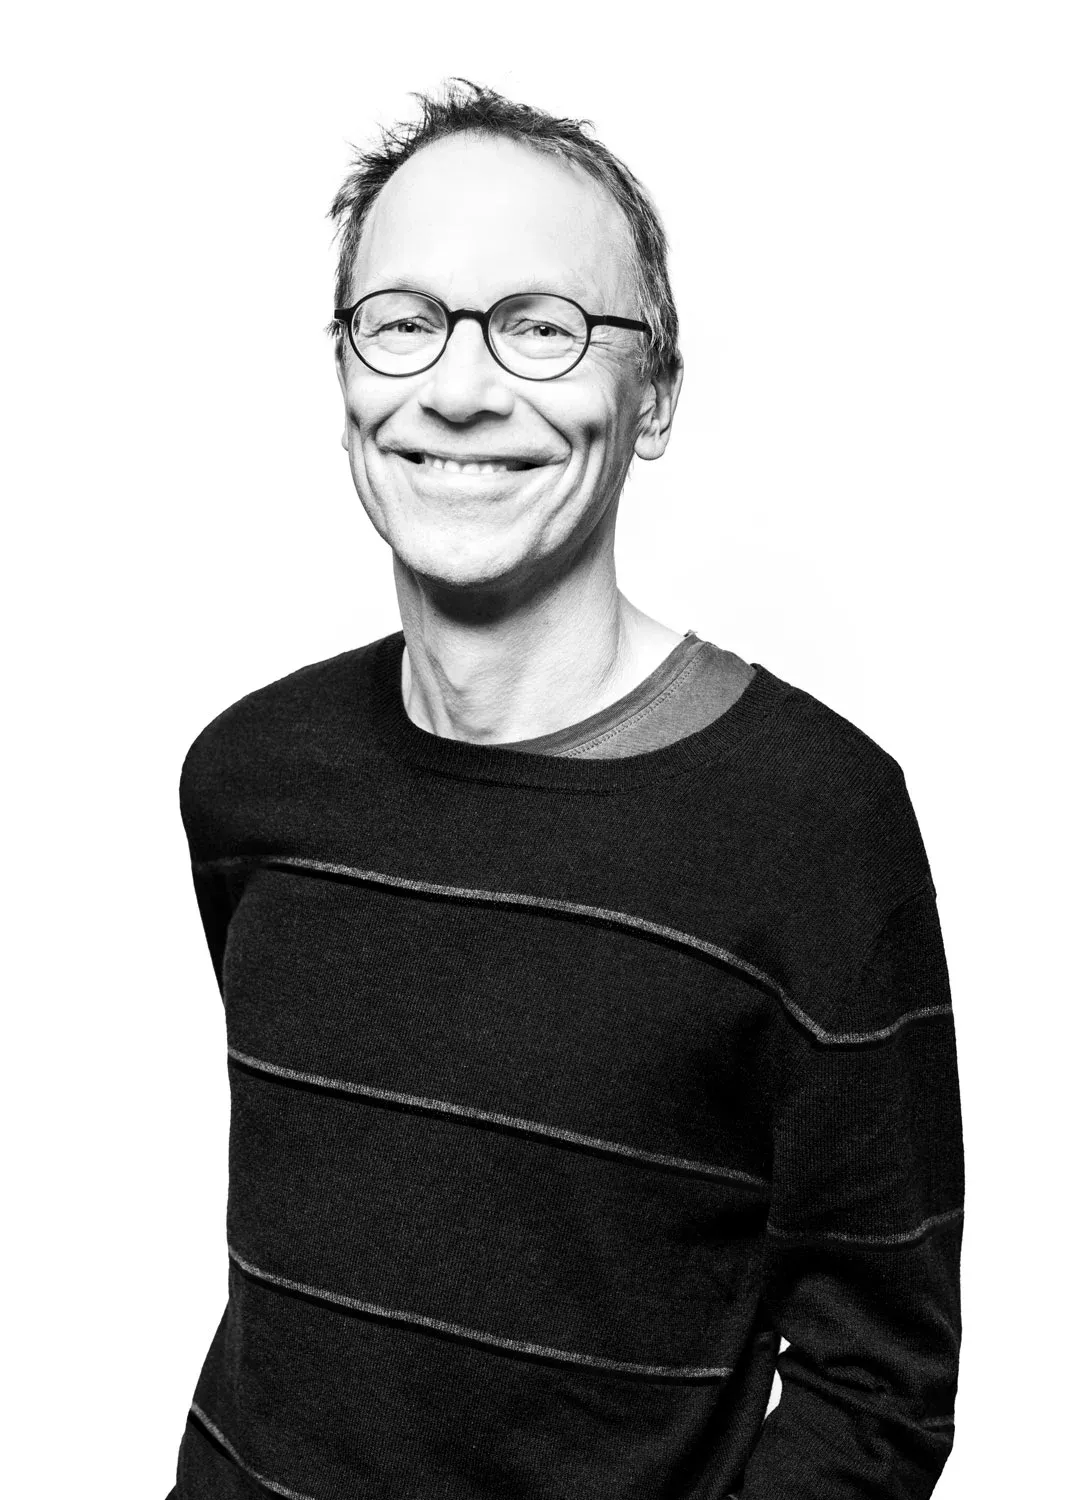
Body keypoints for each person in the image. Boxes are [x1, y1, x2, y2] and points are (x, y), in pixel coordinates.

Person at [168, 81, 964, 1499]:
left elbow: (877, 1387)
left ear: (653, 394)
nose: (459, 389)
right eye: (403, 321)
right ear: (345, 372)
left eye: (539, 327)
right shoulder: (248, 777)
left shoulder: (811, 822)